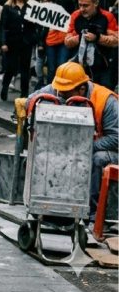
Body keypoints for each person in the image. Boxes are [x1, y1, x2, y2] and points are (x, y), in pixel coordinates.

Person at [21, 63, 117, 218]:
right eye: (59, 90)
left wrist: (85, 147)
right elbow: (30, 101)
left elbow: (116, 138)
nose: (60, 94)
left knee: (97, 159)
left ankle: (93, 212)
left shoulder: (106, 101)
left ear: (81, 89)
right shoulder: (58, 89)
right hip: (73, 147)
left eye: (65, 93)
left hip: (104, 151)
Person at [65, 0, 119, 88]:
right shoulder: (75, 16)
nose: (82, 9)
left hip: (103, 67)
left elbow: (116, 41)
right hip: (80, 67)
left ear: (96, 3)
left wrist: (97, 38)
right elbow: (67, 41)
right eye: (80, 5)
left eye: (85, 5)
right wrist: (80, 37)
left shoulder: (107, 17)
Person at [0, 0, 36, 101]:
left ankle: (24, 93)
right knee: (11, 67)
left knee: (25, 68)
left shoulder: (30, 7)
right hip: (12, 42)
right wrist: (3, 43)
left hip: (26, 42)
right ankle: (5, 86)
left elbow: (34, 26)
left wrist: (33, 37)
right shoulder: (8, 7)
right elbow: (3, 26)